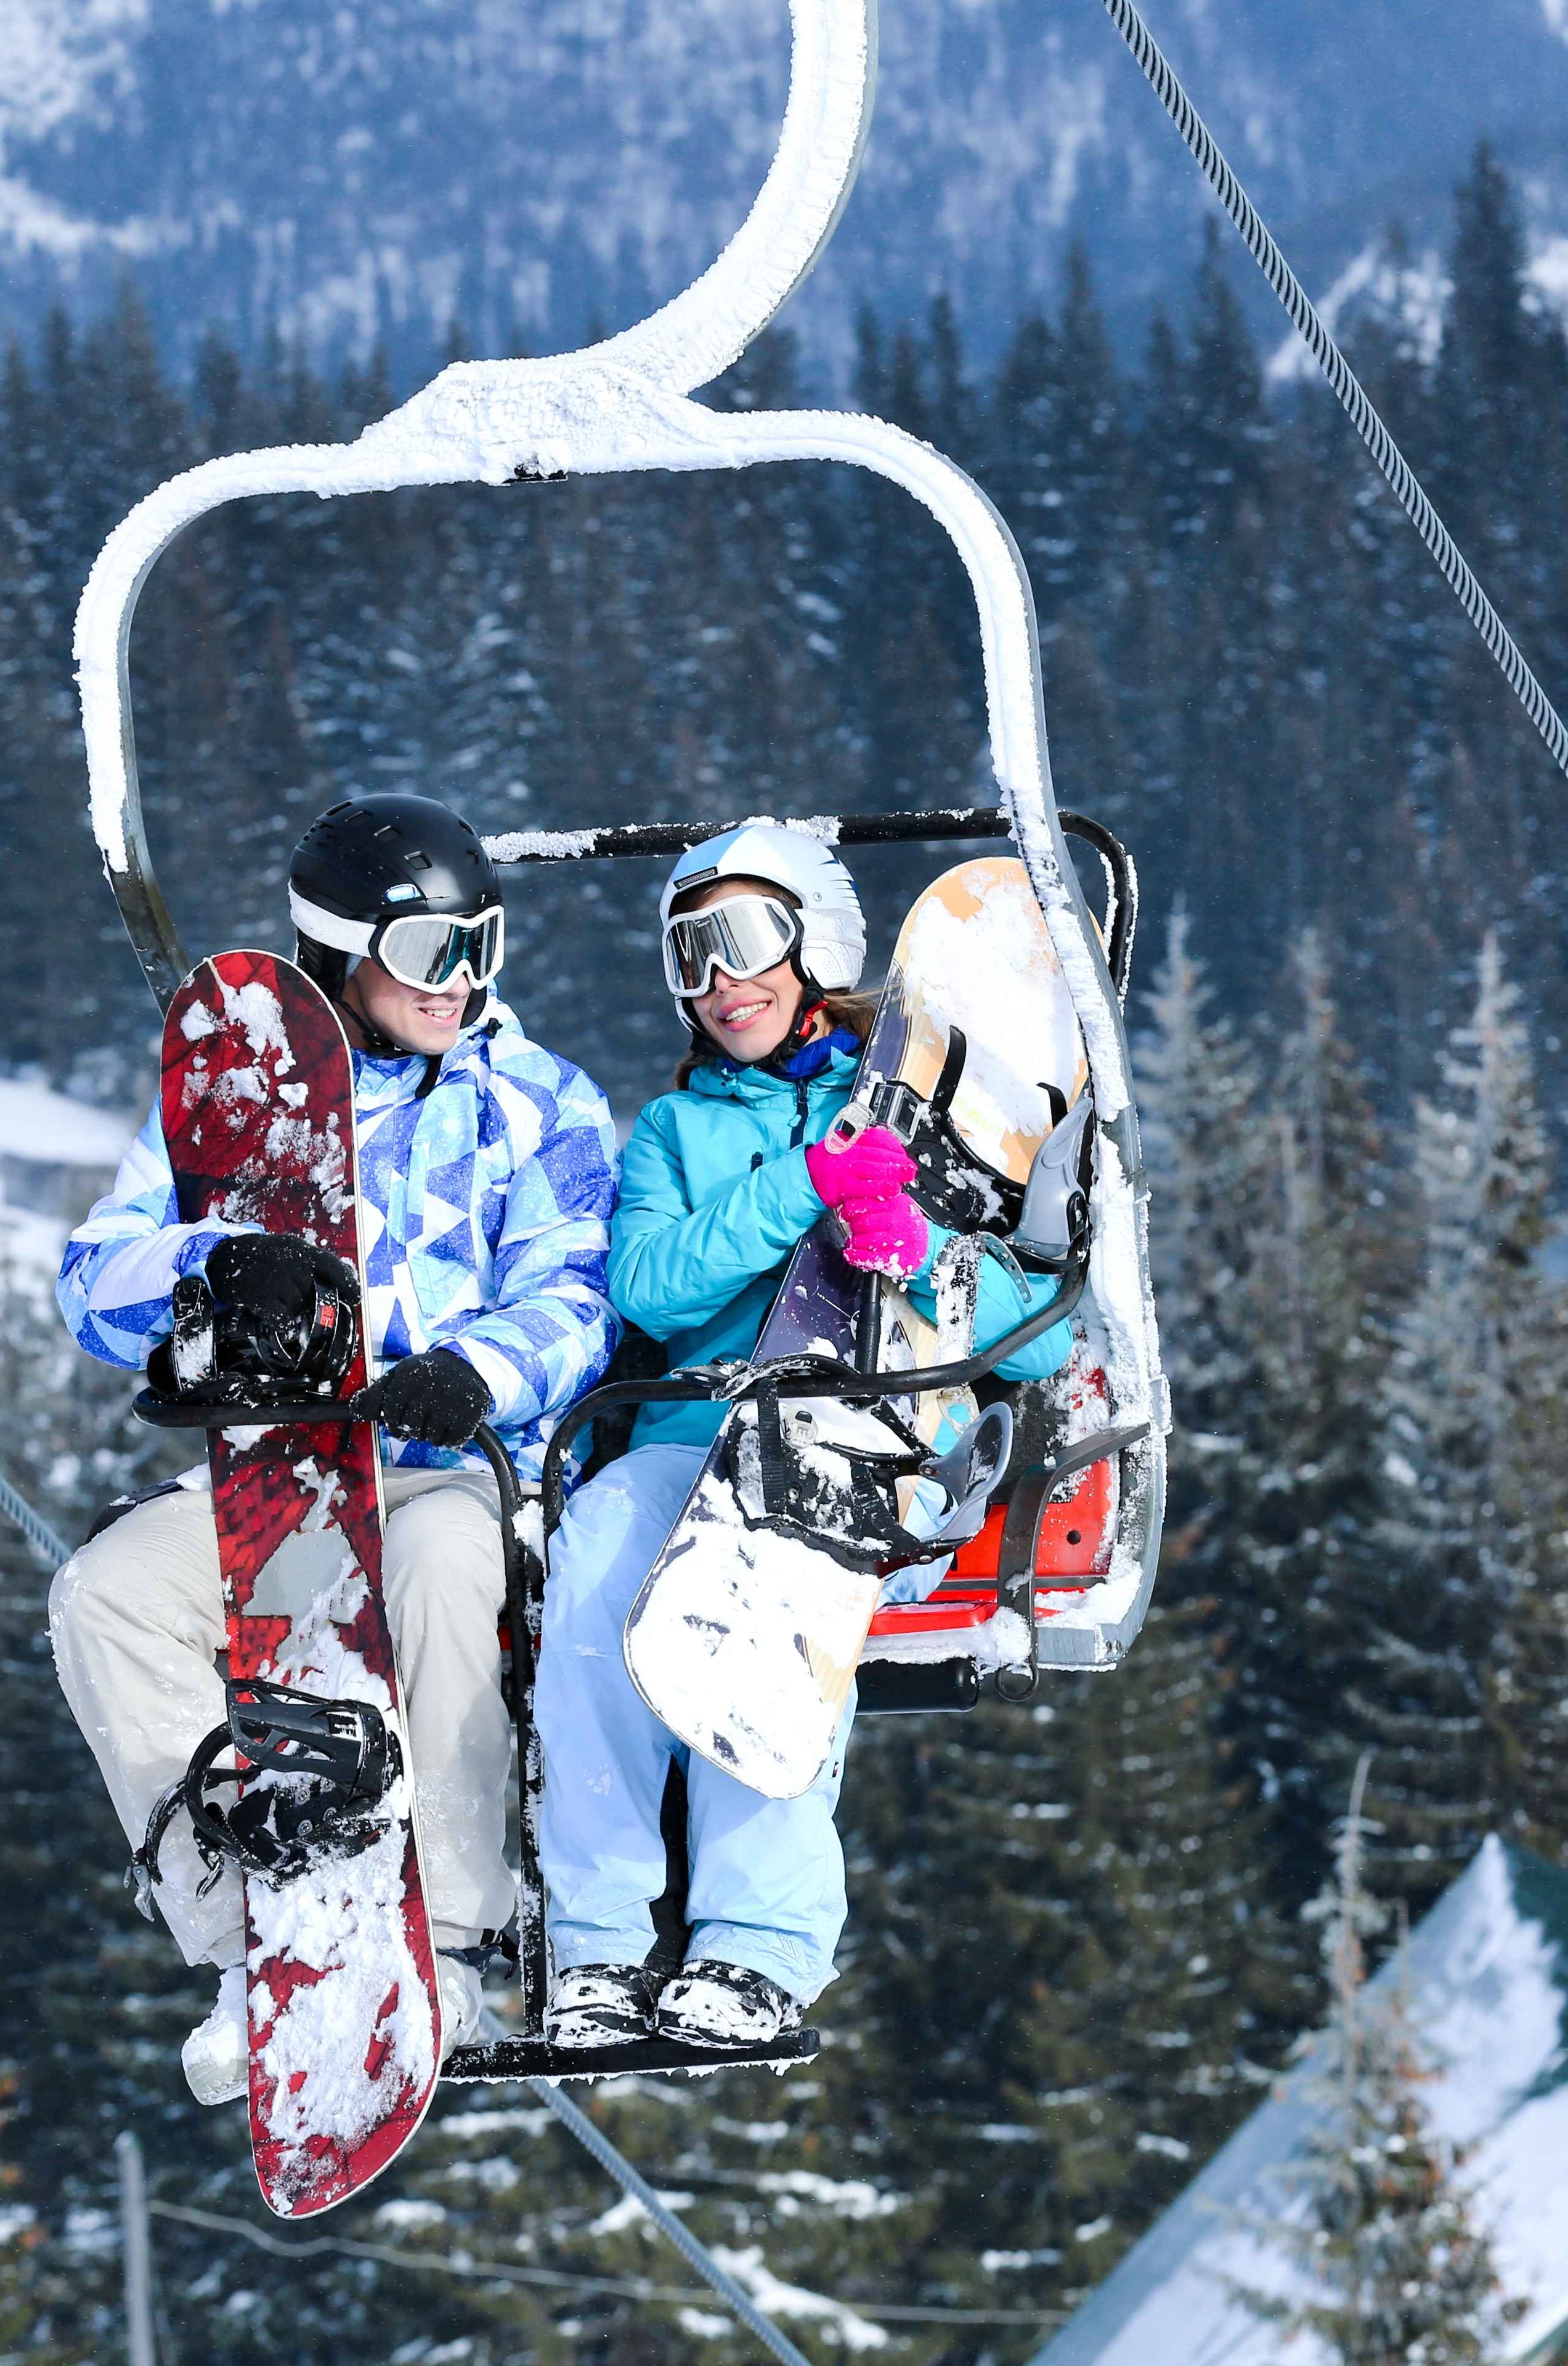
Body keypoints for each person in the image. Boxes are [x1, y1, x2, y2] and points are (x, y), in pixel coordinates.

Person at [51, 792, 619, 2105]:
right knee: (109, 1597)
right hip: (283, 1472)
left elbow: (578, 1296)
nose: (462, 983)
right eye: (432, 954)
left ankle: (459, 1937)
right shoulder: (238, 1110)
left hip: (462, 1465)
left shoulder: (535, 1103)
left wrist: (471, 1371)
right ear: (337, 948)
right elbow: (93, 1277)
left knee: (437, 1579)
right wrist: (213, 1265)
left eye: (484, 944)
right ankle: (246, 1934)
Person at [533, 822, 1073, 2051]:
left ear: (814, 941)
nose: (723, 983)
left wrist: (921, 1249)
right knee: (600, 1555)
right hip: (689, 1433)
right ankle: (600, 1943)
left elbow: (1042, 1335)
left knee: (782, 1558)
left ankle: (757, 1942)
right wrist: (803, 1190)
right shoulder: (675, 1135)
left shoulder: (923, 1108)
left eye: (746, 942)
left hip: (866, 1432)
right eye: (691, 956)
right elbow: (651, 1285)